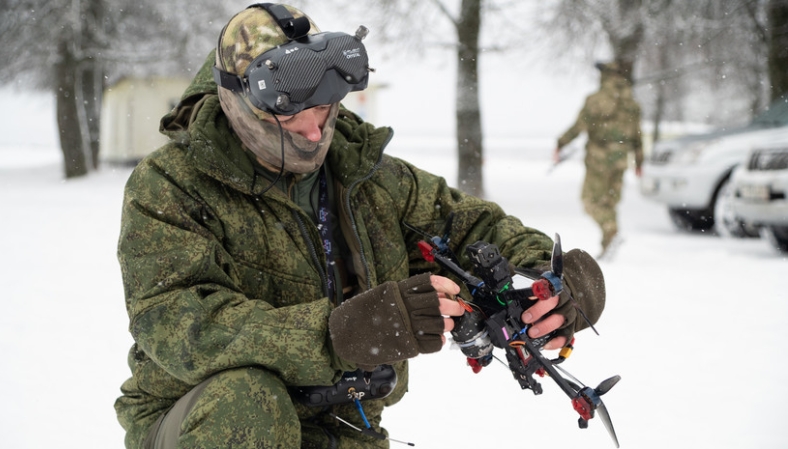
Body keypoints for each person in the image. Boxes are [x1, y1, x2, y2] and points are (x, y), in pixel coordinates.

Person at [114, 4, 607, 448]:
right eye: (292, 118)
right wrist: (342, 334)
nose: (314, 131)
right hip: (200, 420)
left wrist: (554, 283)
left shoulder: (366, 175)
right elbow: (180, 325)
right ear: (238, 103)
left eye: (325, 109)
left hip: (344, 424)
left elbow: (478, 229)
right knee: (249, 403)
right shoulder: (169, 186)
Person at [554, 61, 644, 259]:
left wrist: (560, 143)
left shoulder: (595, 99)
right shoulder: (632, 104)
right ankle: (609, 243)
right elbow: (638, 135)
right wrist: (639, 161)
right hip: (621, 159)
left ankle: (611, 231)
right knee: (609, 202)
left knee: (590, 201)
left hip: (598, 159)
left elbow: (578, 127)